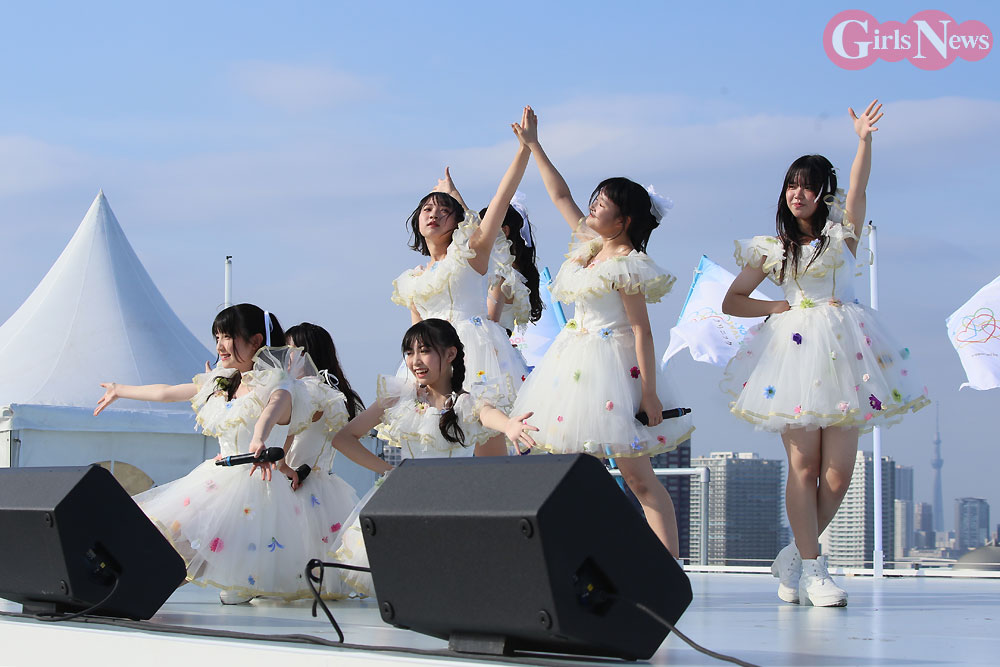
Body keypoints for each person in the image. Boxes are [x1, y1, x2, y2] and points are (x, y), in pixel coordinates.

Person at [721, 100, 929, 607]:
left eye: (807, 186)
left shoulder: (841, 235)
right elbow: (733, 300)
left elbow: (859, 189)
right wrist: (781, 305)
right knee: (803, 466)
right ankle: (815, 571)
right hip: (793, 355)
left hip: (847, 355)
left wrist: (863, 141)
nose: (797, 194)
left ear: (822, 193)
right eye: (791, 185)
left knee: (837, 474)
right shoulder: (772, 248)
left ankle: (794, 556)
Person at [508, 107, 693, 557]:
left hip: (614, 368)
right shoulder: (589, 247)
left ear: (623, 220)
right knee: (575, 475)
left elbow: (641, 330)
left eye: (603, 202)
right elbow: (560, 195)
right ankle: (589, 561)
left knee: (638, 478)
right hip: (574, 367)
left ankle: (668, 567)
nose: (593, 205)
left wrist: (650, 395)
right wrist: (534, 145)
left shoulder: (627, 263)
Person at [94, 304, 331, 604]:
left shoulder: (279, 384)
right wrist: (120, 389)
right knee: (175, 539)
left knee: (204, 561)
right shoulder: (222, 381)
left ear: (256, 341)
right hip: (216, 479)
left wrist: (259, 438)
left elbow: (272, 411)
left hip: (254, 490)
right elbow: (167, 392)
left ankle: (133, 595)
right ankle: (126, 594)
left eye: (228, 336)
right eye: (217, 337)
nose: (219, 345)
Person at [331, 318, 536, 595]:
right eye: (409, 352)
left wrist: (509, 425)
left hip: (454, 505)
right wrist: (388, 470)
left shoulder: (466, 403)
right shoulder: (398, 398)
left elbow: (487, 414)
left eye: (424, 350)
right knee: (406, 583)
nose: (415, 360)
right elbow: (343, 438)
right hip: (403, 501)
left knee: (449, 584)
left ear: (450, 354)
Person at [392, 108, 533, 456]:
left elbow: (500, 199)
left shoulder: (470, 255)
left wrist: (524, 149)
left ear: (457, 223)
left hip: (475, 351)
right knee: (432, 444)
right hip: (429, 357)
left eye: (444, 211)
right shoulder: (412, 279)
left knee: (486, 445)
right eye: (427, 209)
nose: (434, 214)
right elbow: (415, 333)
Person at [480, 194, 544, 335]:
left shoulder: (499, 278)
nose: (477, 233)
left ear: (504, 231)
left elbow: (489, 327)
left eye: (483, 226)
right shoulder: (510, 272)